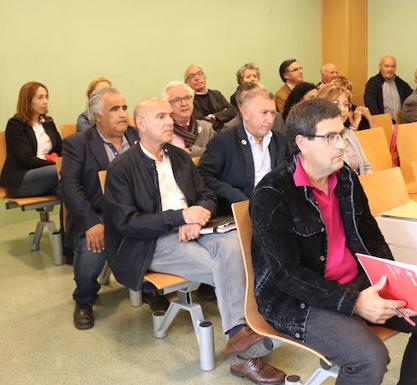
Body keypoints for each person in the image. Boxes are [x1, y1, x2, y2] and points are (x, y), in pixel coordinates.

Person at [250, 98, 417, 385]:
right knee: (369, 358)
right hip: (299, 300)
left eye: (342, 134)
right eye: (330, 137)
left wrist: (397, 284)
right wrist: (354, 302)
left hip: (358, 283)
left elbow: (371, 237)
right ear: (302, 142)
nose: (341, 145)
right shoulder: (272, 193)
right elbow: (286, 275)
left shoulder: (345, 177)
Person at [103, 97, 285, 384]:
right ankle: (243, 344)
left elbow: (207, 194)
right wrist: (179, 218)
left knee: (236, 247)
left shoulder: (178, 156)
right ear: (141, 124)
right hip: (150, 242)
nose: (170, 121)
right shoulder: (122, 168)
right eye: (161, 116)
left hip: (194, 229)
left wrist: (199, 216)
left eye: (169, 116)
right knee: (222, 265)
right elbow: (126, 223)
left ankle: (242, 337)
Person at [61, 87, 167, 329]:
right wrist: (91, 223)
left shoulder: (139, 136)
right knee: (92, 249)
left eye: (124, 108)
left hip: (139, 211)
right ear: (97, 116)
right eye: (114, 109)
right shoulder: (78, 144)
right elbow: (70, 187)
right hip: (99, 215)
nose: (122, 114)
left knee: (158, 235)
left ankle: (150, 288)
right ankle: (85, 299)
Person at [198, 85, 289, 215]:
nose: (270, 120)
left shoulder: (280, 140)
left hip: (277, 209)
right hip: (240, 212)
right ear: (245, 113)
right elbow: (203, 175)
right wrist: (235, 196)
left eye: (273, 113)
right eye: (264, 113)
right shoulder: (224, 140)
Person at [1, 81, 62, 197]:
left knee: (71, 190)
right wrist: (54, 163)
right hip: (21, 178)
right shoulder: (15, 124)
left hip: (47, 175)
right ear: (27, 101)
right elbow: (26, 159)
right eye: (40, 97)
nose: (45, 101)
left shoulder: (48, 122)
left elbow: (61, 148)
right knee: (61, 171)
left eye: (46, 97)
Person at [318, 85, 372, 175]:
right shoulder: (319, 139)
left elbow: (366, 166)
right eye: (336, 104)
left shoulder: (349, 133)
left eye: (346, 104)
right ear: (322, 107)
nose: (343, 109)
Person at [162, 81, 215, 157]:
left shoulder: (206, 128)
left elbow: (215, 153)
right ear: (167, 105)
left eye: (187, 98)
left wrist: (189, 151)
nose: (184, 104)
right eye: (177, 100)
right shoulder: (163, 130)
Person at [184, 64, 236, 130]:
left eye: (199, 74)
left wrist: (214, 116)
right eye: (192, 76)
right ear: (187, 83)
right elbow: (202, 122)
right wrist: (223, 115)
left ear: (205, 78)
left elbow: (233, 111)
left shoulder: (216, 94)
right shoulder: (189, 100)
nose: (197, 78)